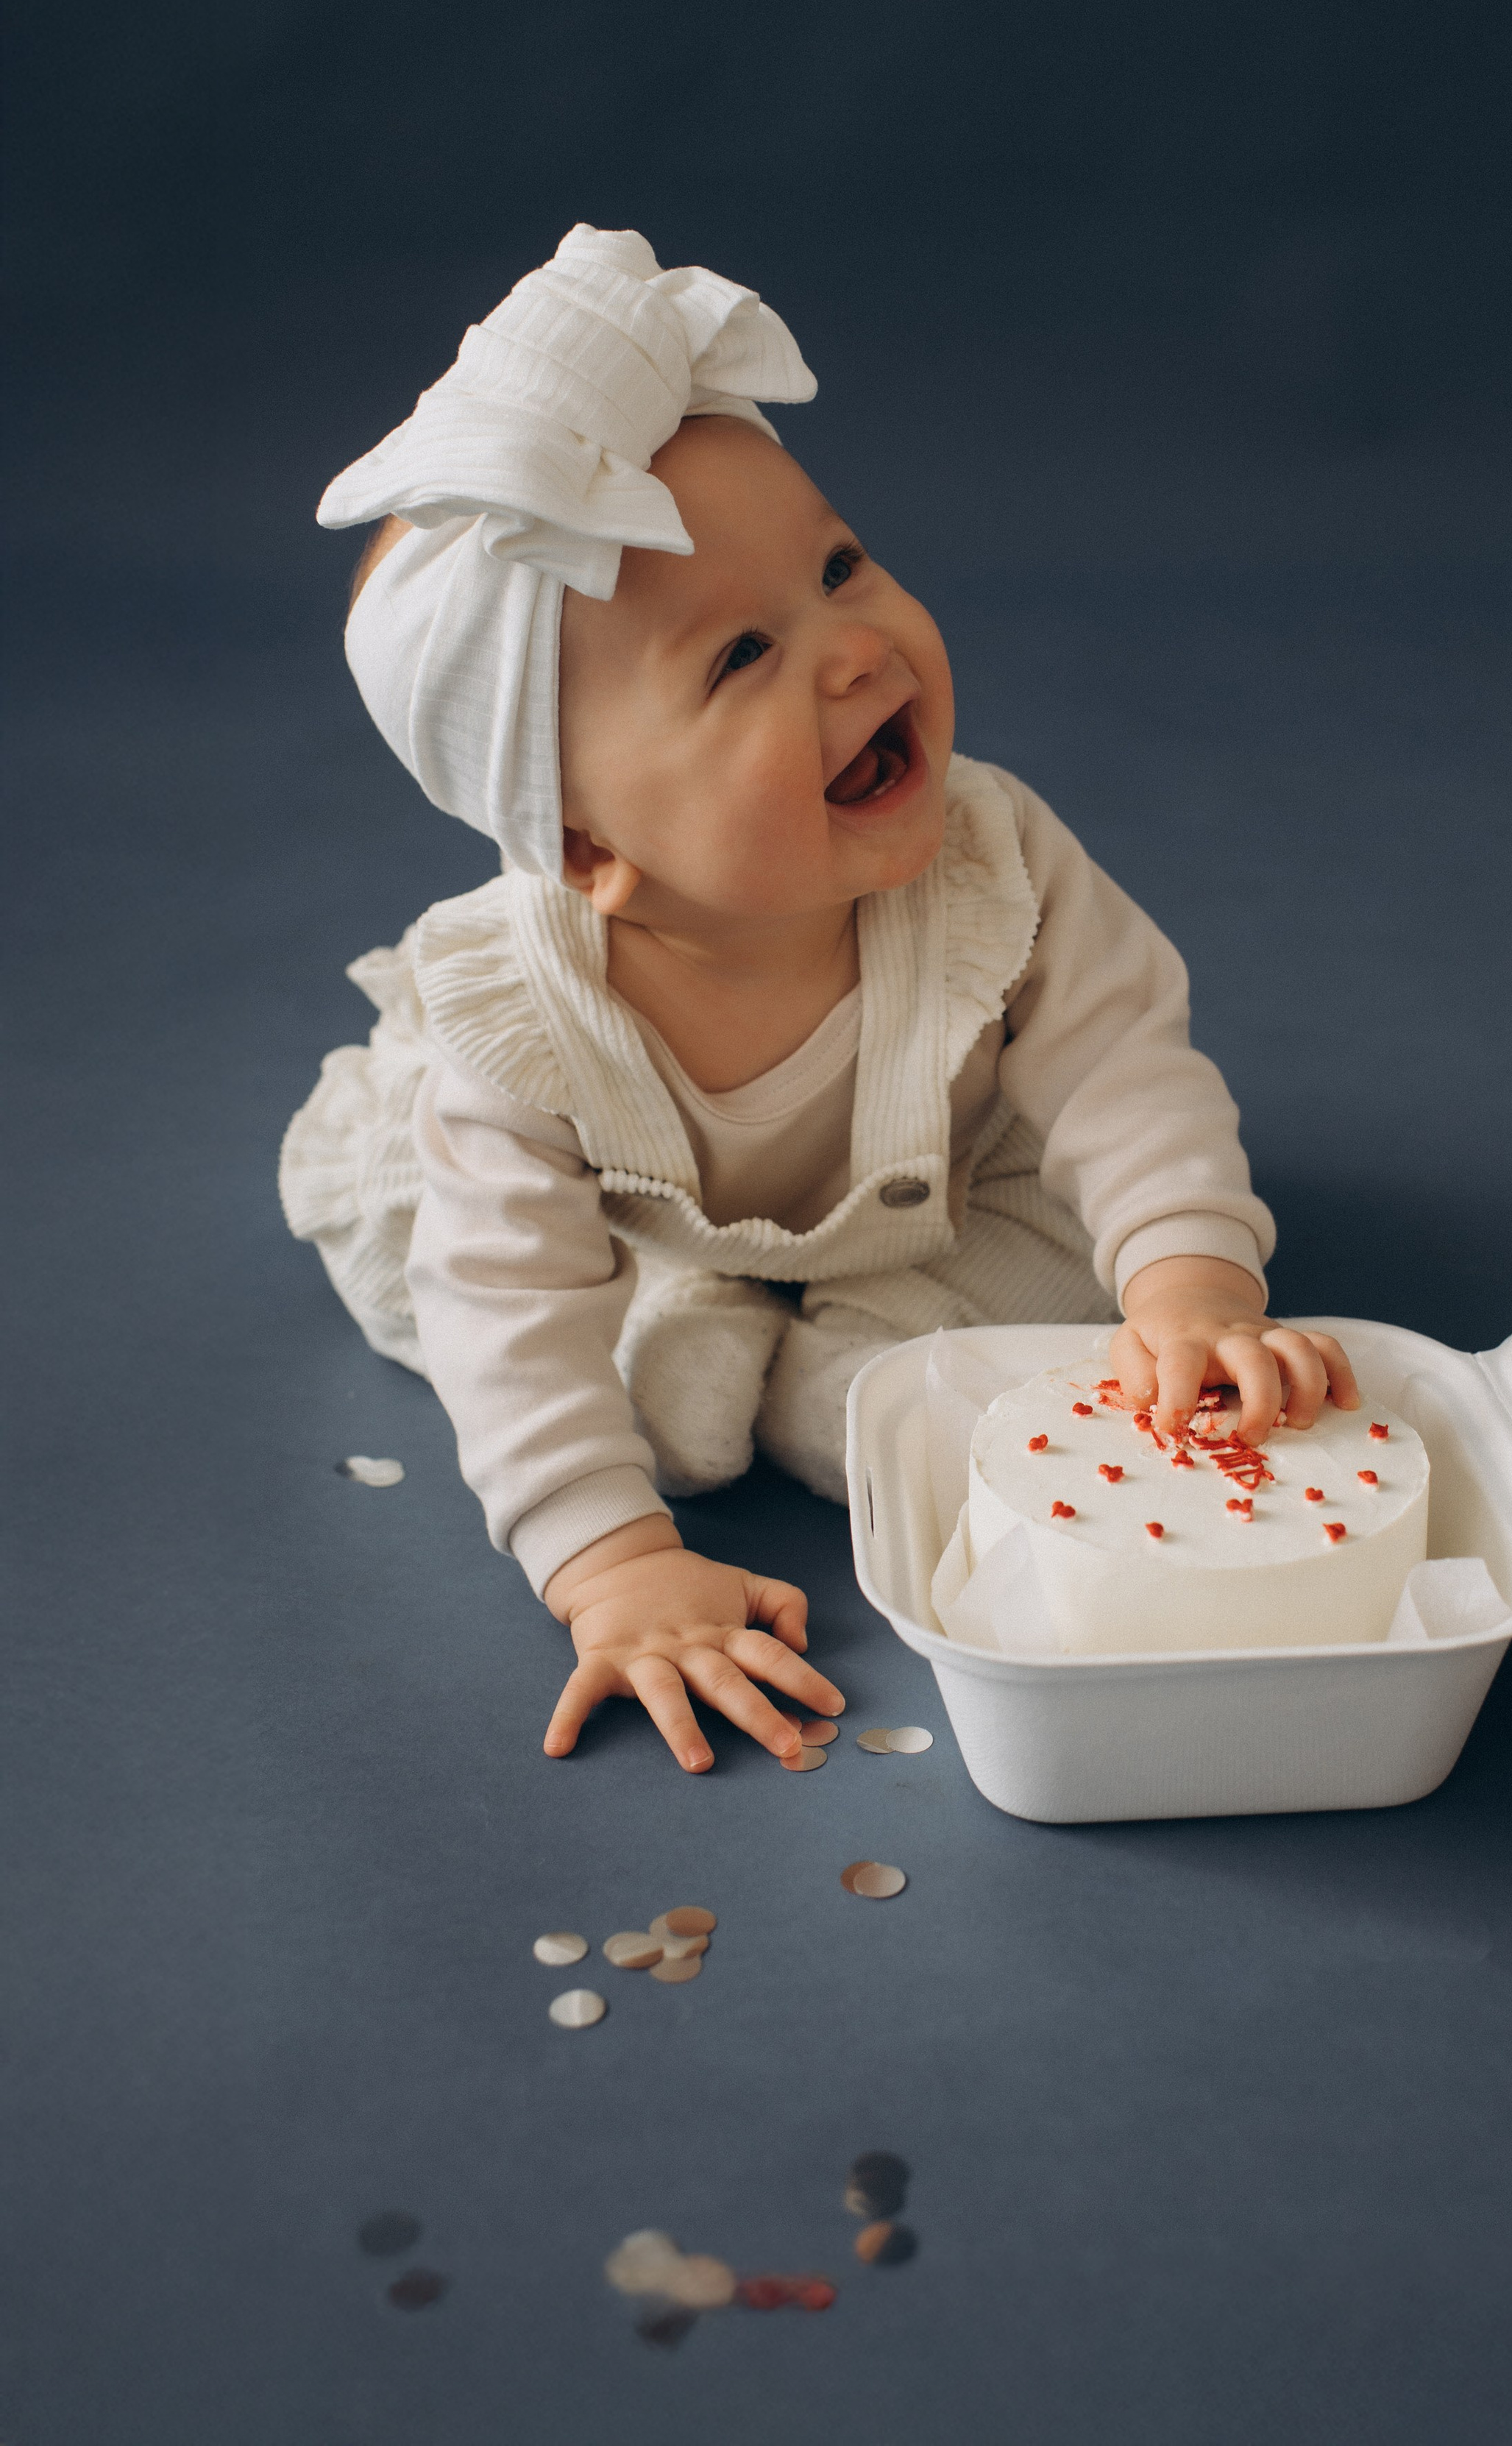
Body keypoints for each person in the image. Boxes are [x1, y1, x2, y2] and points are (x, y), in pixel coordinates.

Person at [282, 225, 1358, 1773]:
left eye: (839, 565)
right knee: (559, 1370)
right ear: (591, 849)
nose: (853, 649)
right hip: (636, 1228)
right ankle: (703, 1320)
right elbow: (509, 1300)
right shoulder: (523, 1013)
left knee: (1004, 1331)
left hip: (948, 1179)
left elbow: (1122, 1066)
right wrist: (611, 1567)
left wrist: (1188, 1275)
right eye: (738, 656)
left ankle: (855, 1357)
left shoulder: (989, 858)